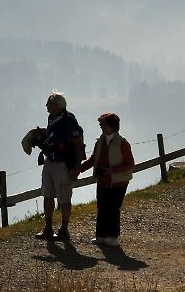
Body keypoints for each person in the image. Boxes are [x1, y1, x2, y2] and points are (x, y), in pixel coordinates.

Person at [74, 112, 134, 247]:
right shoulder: (100, 141)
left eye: (104, 125)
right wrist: (79, 170)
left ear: (113, 126)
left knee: (113, 209)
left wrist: (112, 170)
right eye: (101, 125)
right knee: (101, 207)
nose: (101, 127)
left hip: (118, 182)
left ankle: (113, 238)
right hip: (102, 180)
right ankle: (100, 236)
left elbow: (130, 164)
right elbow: (93, 159)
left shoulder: (123, 143)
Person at [35, 91, 85, 241]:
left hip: (63, 164)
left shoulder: (68, 120)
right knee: (47, 194)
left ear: (57, 106)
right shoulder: (52, 118)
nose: (46, 106)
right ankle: (48, 228)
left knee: (64, 197)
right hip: (50, 161)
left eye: (49, 104)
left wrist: (77, 168)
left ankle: (64, 229)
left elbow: (79, 145)